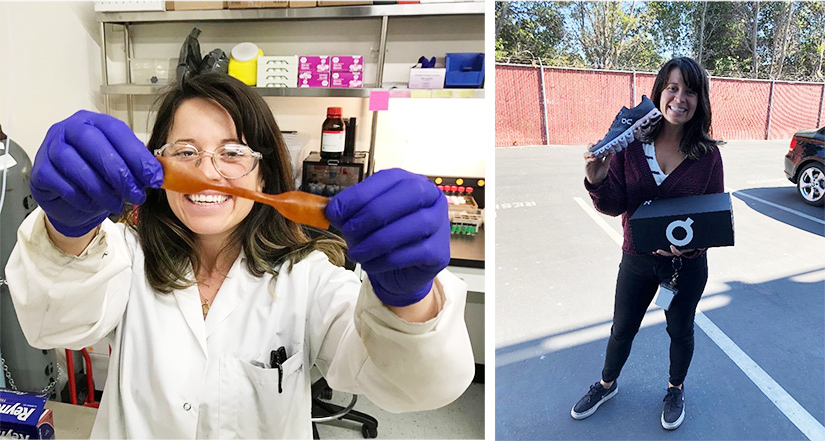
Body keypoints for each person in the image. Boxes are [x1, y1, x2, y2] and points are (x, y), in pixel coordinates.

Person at [5, 72, 474, 439]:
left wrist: (409, 299)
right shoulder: (124, 252)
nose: (207, 170)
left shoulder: (307, 276)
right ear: (155, 169)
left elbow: (409, 387)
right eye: (185, 151)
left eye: (232, 153)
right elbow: (53, 325)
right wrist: (66, 231)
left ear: (263, 177)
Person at [571, 57, 724, 430]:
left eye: (690, 90)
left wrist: (691, 249)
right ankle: (606, 384)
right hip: (637, 259)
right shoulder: (631, 147)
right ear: (659, 92)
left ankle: (675, 388)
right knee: (622, 328)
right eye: (672, 87)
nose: (680, 98)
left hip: (685, 267)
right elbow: (613, 205)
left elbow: (714, 217)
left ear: (700, 99)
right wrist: (597, 180)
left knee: (681, 330)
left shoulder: (707, 155)